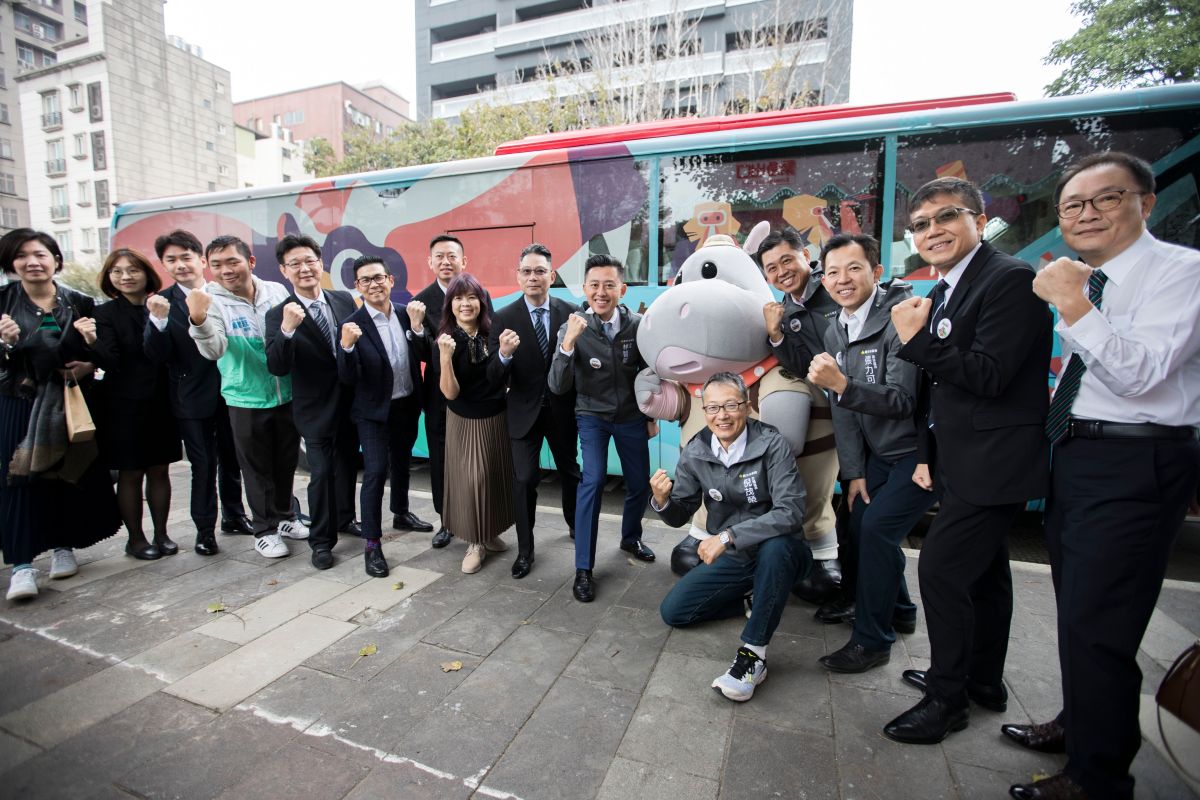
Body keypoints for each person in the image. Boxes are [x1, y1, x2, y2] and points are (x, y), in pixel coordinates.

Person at [1005, 152, 1200, 800]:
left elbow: (1141, 375)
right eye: (1072, 205)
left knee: (1103, 626)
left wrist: (1072, 305)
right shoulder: (1092, 278)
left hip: (1133, 460)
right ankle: (1080, 725)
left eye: (1105, 199)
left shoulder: (1182, 273)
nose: (1085, 214)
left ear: (1145, 201)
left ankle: (1098, 778)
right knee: (1080, 613)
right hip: (1080, 454)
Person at [884, 177, 1052, 744]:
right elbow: (941, 388)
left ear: (980, 219)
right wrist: (927, 453)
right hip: (960, 458)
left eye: (947, 216)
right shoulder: (952, 286)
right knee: (984, 575)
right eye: (922, 224)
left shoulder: (1010, 279)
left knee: (939, 569)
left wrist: (915, 339)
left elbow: (989, 374)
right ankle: (981, 681)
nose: (933, 230)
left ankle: (946, 698)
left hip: (994, 461)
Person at [803, 233, 934, 673]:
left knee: (877, 528)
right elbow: (844, 413)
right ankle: (900, 609)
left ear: (876, 272)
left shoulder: (901, 318)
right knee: (861, 523)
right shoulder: (834, 326)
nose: (842, 280)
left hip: (919, 454)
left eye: (854, 268)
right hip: (878, 456)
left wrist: (840, 384)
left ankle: (873, 640)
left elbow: (902, 400)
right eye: (833, 272)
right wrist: (854, 472)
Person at [652, 372, 808, 701]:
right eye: (712, 408)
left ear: (747, 406)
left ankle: (754, 655)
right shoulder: (696, 450)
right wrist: (662, 501)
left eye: (731, 405)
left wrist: (726, 537)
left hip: (778, 550)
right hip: (738, 557)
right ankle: (756, 599)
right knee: (675, 612)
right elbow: (681, 511)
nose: (721, 415)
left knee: (778, 547)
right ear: (704, 410)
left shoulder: (771, 443)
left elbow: (791, 511)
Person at [0, 230, 119, 600]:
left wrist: (88, 357)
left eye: (40, 254)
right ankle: (21, 565)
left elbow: (103, 359)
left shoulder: (79, 301)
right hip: (19, 402)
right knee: (19, 479)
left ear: (55, 259)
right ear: (12, 263)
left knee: (69, 473)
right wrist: (3, 344)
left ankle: (63, 545)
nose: (32, 262)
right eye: (22, 256)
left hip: (68, 401)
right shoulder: (2, 301)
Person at [188, 235, 307, 559]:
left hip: (285, 392)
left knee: (286, 463)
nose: (225, 270)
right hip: (245, 397)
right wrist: (198, 320)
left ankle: (284, 517)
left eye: (232, 262)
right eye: (216, 265)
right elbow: (214, 349)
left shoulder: (275, 291)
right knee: (255, 469)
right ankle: (264, 530)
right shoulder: (209, 300)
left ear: (250, 262)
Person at [548, 254, 655, 603]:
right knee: (592, 481)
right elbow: (558, 386)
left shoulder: (638, 325)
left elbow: (648, 373)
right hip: (591, 416)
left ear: (621, 289)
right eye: (594, 285)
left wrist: (650, 415)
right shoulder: (574, 326)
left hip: (630, 417)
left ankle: (630, 537)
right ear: (585, 289)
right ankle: (583, 568)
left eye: (609, 285)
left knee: (639, 482)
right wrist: (568, 344)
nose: (601, 292)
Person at [145, 230, 252, 557]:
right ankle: (205, 530)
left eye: (186, 257)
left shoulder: (224, 292)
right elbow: (156, 355)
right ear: (163, 264)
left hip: (235, 390)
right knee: (203, 465)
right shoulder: (162, 302)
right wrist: (158, 322)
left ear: (201, 260)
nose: (180, 265)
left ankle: (234, 515)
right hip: (192, 398)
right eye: (171, 260)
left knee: (233, 458)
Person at [75, 248, 182, 560]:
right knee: (131, 472)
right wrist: (93, 342)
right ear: (109, 278)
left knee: (160, 469)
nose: (125, 276)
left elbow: (168, 353)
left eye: (132, 269)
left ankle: (162, 534)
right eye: (117, 271)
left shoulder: (161, 306)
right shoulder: (105, 314)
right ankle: (136, 539)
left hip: (161, 400)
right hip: (122, 404)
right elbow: (111, 362)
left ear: (146, 273)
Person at [265, 235, 359, 571]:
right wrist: (288, 330)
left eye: (310, 261)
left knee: (348, 465)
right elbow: (276, 365)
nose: (304, 268)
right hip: (314, 409)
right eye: (295, 264)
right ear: (283, 271)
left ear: (320, 264)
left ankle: (346, 519)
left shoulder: (343, 300)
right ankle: (322, 541)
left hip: (350, 403)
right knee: (321, 474)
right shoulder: (279, 313)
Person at [759, 227, 843, 605]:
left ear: (805, 255)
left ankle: (886, 607)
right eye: (771, 268)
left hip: (866, 409)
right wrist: (776, 336)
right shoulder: (787, 309)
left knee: (871, 513)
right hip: (844, 413)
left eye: (787, 260)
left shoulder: (836, 290)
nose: (781, 272)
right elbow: (799, 365)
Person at [488, 243, 581, 579]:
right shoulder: (503, 317)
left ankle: (575, 526)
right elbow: (493, 377)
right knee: (525, 480)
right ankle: (525, 550)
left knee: (571, 473)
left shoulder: (571, 312)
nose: (533, 277)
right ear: (518, 277)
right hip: (523, 413)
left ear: (551, 275)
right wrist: (504, 355)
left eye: (540, 271)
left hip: (561, 410)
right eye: (527, 271)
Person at [338, 256, 428, 579]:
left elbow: (424, 353)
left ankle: (401, 513)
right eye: (366, 280)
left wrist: (418, 331)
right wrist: (346, 349)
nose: (374, 284)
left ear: (391, 280)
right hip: (373, 412)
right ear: (357, 287)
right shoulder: (352, 324)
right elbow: (347, 378)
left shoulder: (407, 314)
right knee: (376, 472)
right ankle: (372, 544)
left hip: (405, 404)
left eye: (379, 278)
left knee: (403, 462)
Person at [411, 234, 488, 546]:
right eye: (439, 256)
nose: (446, 261)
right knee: (442, 460)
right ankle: (447, 522)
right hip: (439, 397)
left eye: (452, 256)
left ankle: (478, 520)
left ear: (463, 261)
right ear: (430, 263)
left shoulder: (478, 294)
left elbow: (488, 335)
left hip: (476, 395)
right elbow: (418, 355)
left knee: (475, 463)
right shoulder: (421, 301)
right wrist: (417, 329)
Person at [434, 272, 514, 573]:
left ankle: (489, 533)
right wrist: (444, 358)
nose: (465, 304)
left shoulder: (494, 333)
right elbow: (450, 393)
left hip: (496, 416)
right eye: (458, 298)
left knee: (493, 477)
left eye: (471, 297)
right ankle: (474, 542)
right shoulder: (446, 339)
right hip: (464, 420)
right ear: (450, 304)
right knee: (471, 481)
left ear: (481, 302)